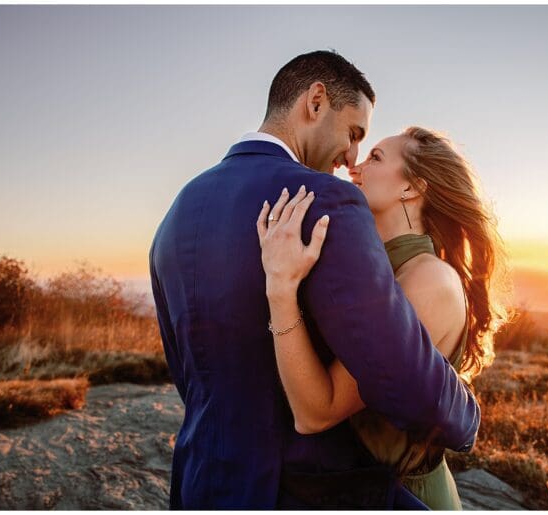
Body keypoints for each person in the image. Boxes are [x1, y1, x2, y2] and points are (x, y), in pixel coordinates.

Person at [149, 50, 480, 509]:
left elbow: (186, 365)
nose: (352, 158)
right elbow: (399, 373)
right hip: (303, 487)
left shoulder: (178, 212)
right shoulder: (324, 200)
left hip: (200, 478)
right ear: (316, 101)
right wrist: (468, 418)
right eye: (354, 134)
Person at [257, 126, 512, 509]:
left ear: (410, 189)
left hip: (405, 498)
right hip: (358, 490)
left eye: (375, 157)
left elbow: (317, 412)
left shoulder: (426, 280)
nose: (354, 167)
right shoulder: (379, 269)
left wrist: (281, 288)